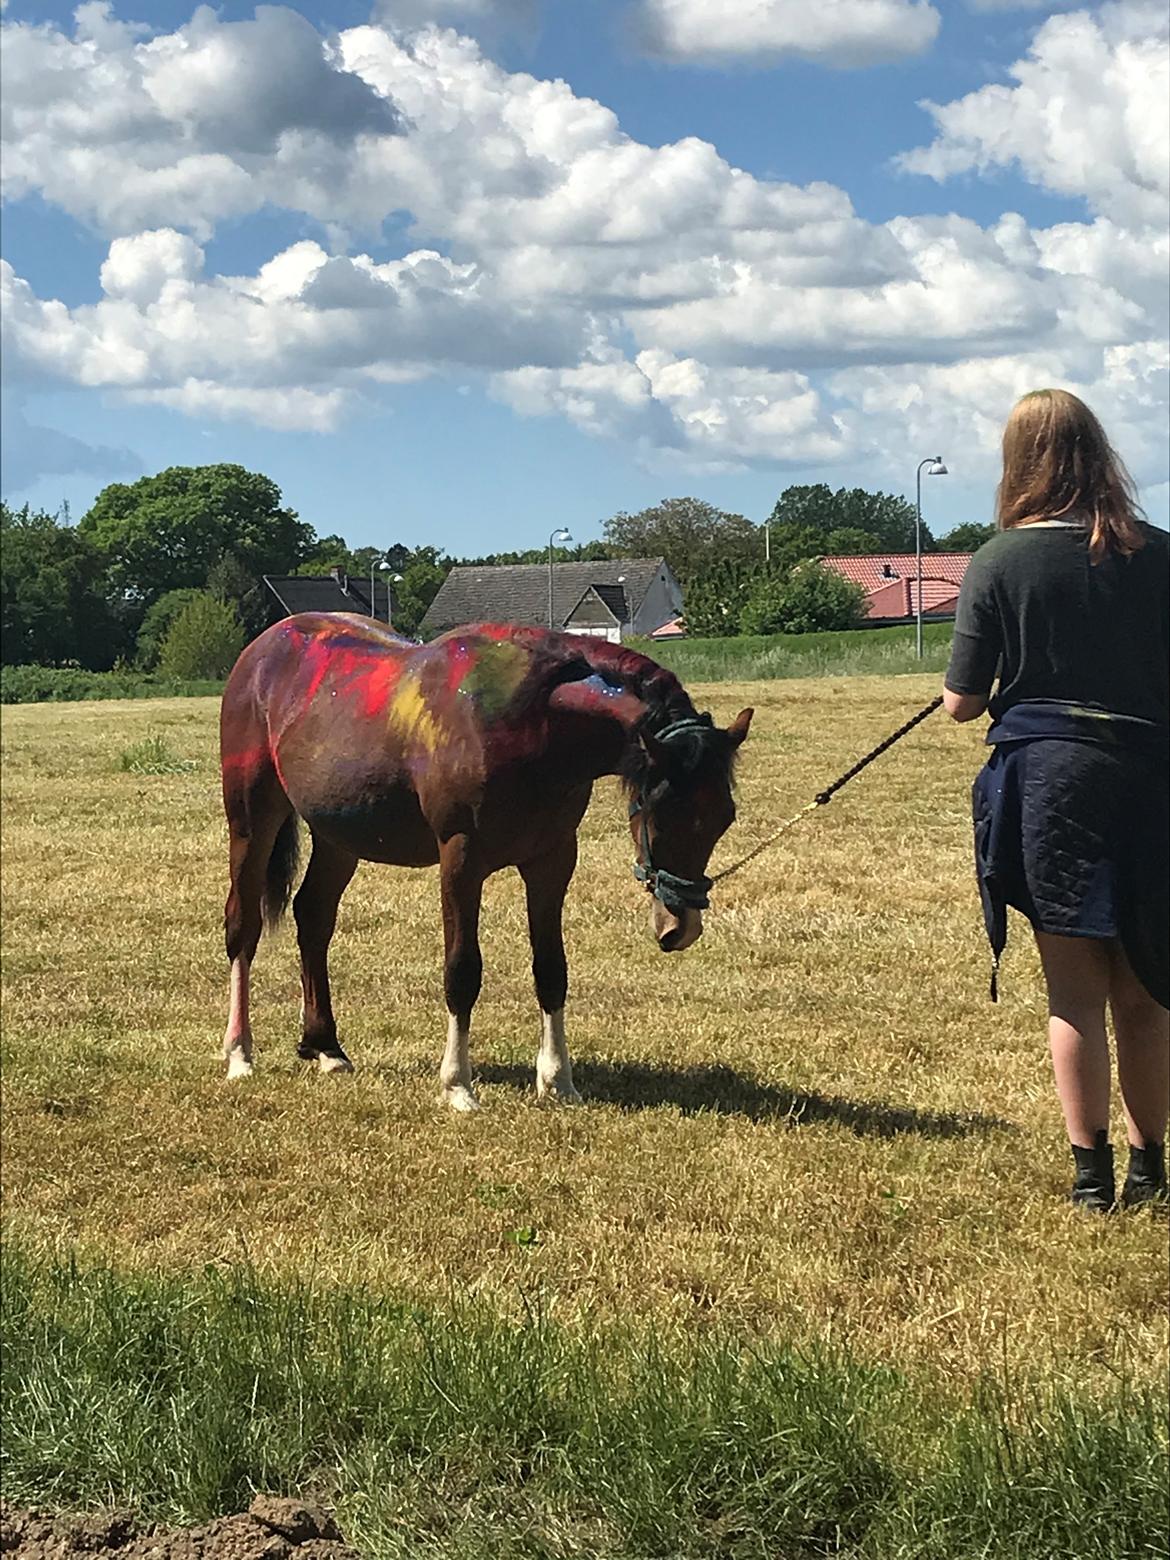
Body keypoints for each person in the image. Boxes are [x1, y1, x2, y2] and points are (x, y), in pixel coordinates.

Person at [943, 388, 1169, 1211]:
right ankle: (1151, 1173)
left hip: (1051, 785)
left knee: (1074, 994)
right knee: (1145, 990)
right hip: (1151, 782)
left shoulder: (1000, 560)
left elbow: (962, 703)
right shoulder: (1161, 554)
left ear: (1018, 463)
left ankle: (1090, 1178)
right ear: (1098, 454)